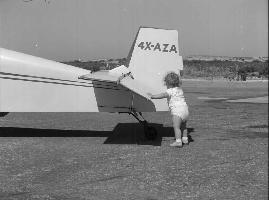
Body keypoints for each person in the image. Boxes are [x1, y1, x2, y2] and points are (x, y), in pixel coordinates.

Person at [147, 72, 189, 147]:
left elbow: (162, 95)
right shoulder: (180, 89)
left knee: (176, 127)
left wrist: (152, 96)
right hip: (185, 110)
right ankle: (185, 139)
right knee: (184, 127)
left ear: (168, 83)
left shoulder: (170, 91)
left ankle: (178, 141)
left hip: (177, 112)